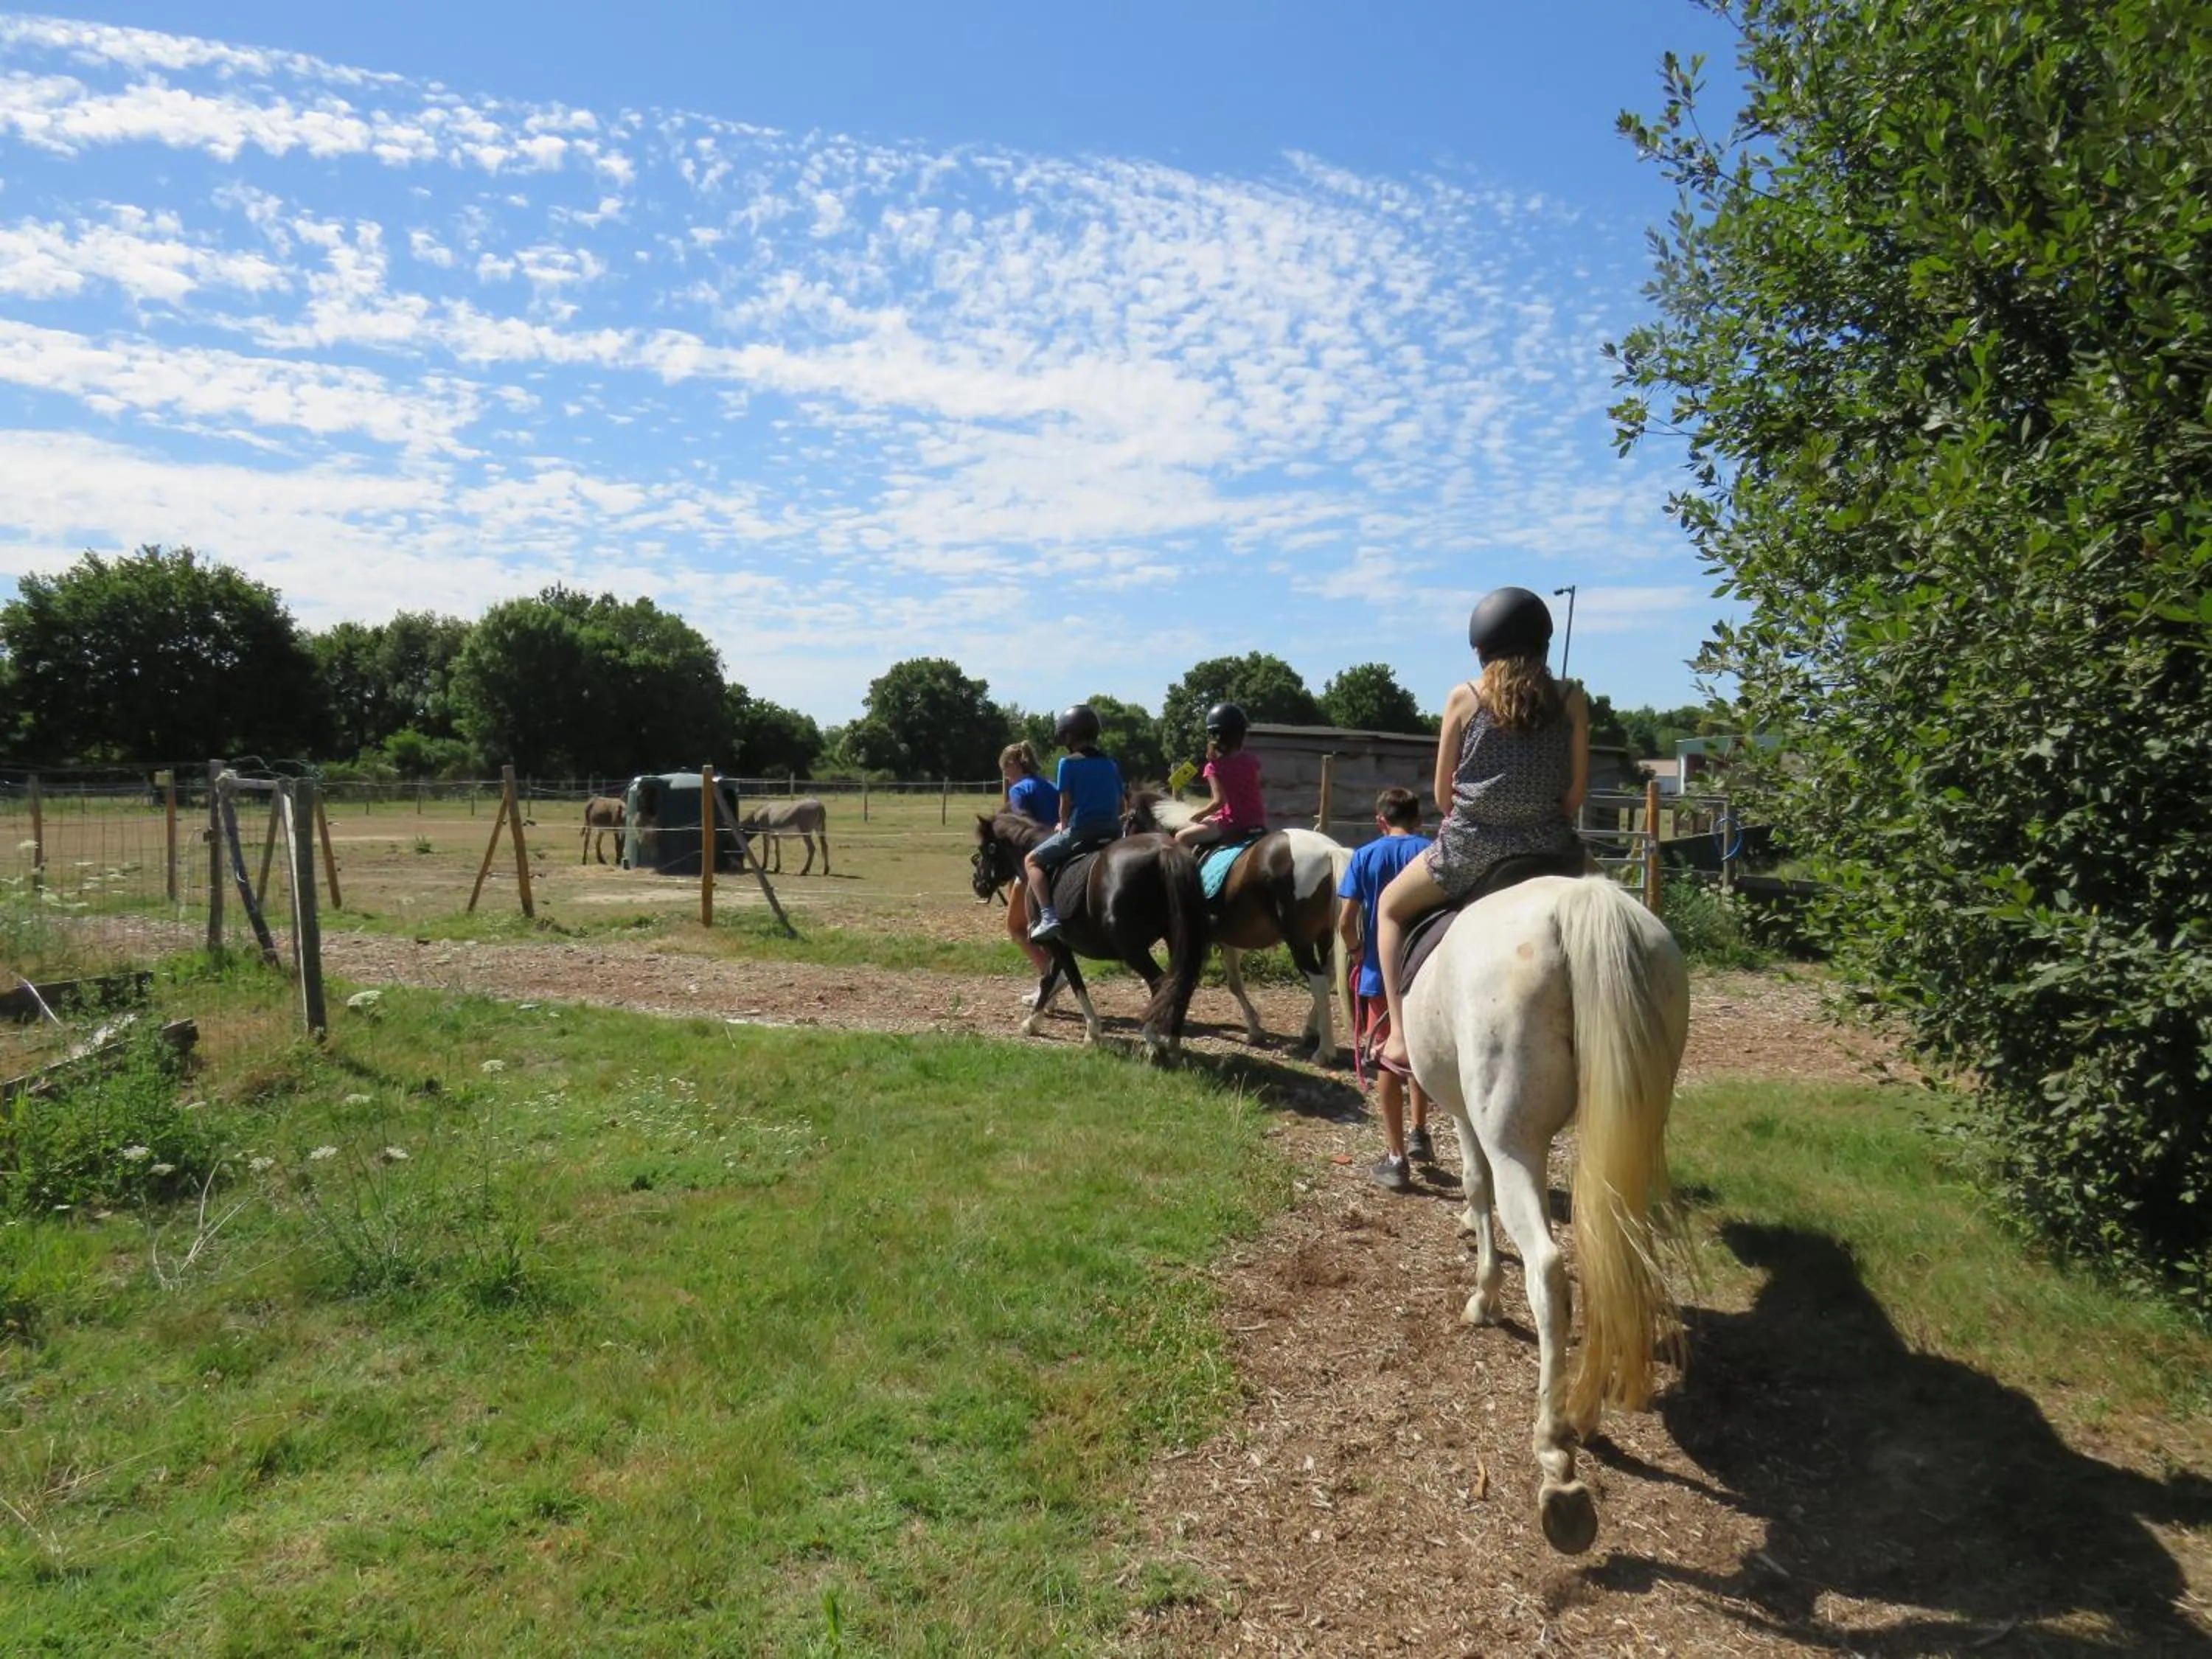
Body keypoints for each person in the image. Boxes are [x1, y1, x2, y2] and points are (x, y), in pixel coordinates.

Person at [1373, 586, 1590, 1077]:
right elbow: (1574, 796)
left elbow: (1443, 797)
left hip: (1472, 852)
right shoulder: (1572, 698)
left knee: (1389, 905)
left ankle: (1401, 1036)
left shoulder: (1464, 698)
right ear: (1543, 645)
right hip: (1551, 850)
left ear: (1482, 648)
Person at [1337, 787, 1437, 1192]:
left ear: (1381, 820)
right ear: (1417, 820)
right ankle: (1419, 1132)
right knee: (1418, 1052)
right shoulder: (1432, 851)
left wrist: (1359, 952)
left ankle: (1396, 1157)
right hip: (1427, 971)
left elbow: (1346, 922)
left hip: (1382, 974)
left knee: (1387, 1059)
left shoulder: (1365, 856)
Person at [1023, 705, 1124, 945]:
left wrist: (1063, 825)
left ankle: (1048, 915)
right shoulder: (1110, 763)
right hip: (1113, 830)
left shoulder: (1067, 764)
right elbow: (1122, 805)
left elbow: (1065, 803)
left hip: (1083, 830)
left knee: (1031, 861)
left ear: (1069, 736)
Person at [998, 741, 1060, 981]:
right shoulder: (1051, 786)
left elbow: (1019, 830)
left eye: (1005, 769)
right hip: (1059, 860)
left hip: (1033, 864)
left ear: (1015, 765)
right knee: (1042, 930)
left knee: (1016, 928)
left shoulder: (1019, 791)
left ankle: (1050, 977)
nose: (1005, 777)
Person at [1173, 701, 1267, 852]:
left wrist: (1198, 815)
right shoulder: (1252, 761)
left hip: (1232, 825)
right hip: (1257, 822)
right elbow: (1254, 788)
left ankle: (1190, 875)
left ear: (1214, 736)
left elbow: (1219, 801)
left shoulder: (1214, 768)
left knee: (1181, 838)